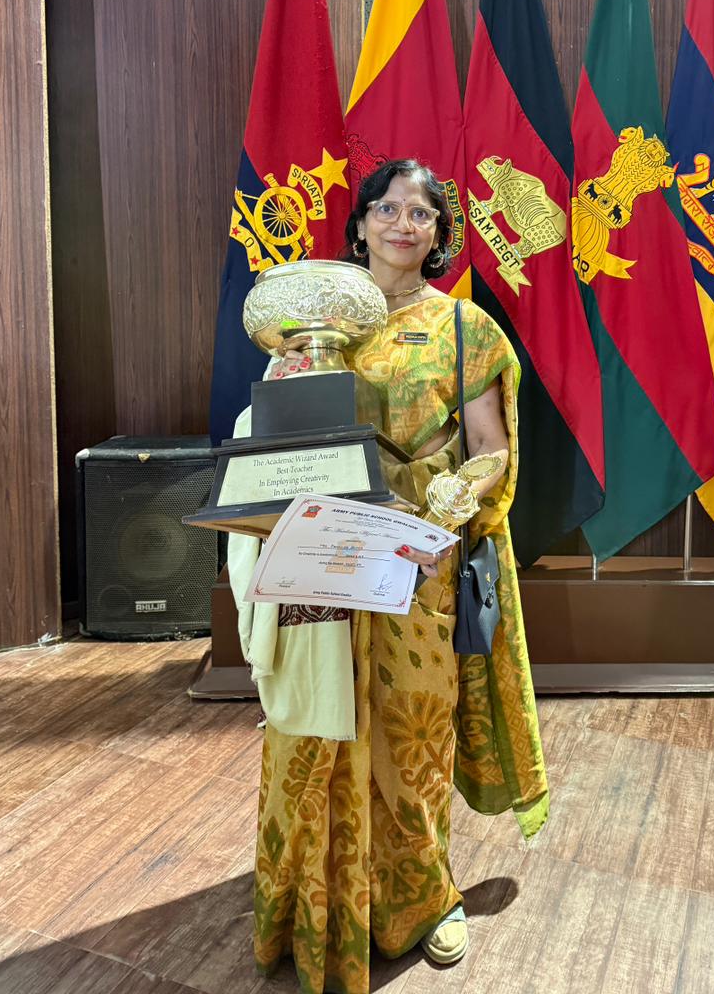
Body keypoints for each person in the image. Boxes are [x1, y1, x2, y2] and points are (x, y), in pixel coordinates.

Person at [228, 159, 547, 994]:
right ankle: (310, 902)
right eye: (389, 208)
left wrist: (456, 492)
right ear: (361, 223)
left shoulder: (463, 327)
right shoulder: (314, 324)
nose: (407, 224)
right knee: (315, 732)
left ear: (441, 235)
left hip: (413, 555)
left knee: (413, 736)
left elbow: (492, 449)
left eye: (425, 213)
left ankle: (422, 902)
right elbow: (278, 434)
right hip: (323, 560)